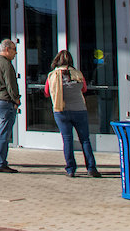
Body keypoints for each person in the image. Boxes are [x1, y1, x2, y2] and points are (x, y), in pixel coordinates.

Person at [44, 50, 101, 178]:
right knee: (85, 139)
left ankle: (70, 169)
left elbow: (46, 92)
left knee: (67, 140)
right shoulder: (78, 74)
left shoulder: (52, 75)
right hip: (80, 110)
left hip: (61, 110)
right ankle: (91, 168)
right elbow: (84, 89)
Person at [0, 38, 21, 173]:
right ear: (7, 50)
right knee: (3, 134)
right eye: (14, 50)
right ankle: (0, 163)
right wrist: (16, 99)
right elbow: (11, 85)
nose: (16, 53)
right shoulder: (6, 65)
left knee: (0, 133)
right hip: (4, 102)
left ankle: (1, 161)